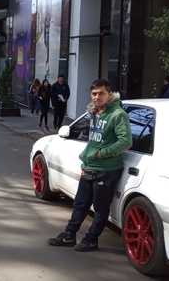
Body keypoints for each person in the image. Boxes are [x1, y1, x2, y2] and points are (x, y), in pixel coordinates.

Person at [49, 79, 131, 252]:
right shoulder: (95, 111)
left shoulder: (117, 114)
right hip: (90, 166)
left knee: (101, 208)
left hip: (106, 170)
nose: (97, 97)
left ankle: (91, 240)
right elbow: (94, 139)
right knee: (80, 204)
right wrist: (87, 156)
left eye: (101, 93)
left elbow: (126, 142)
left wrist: (101, 154)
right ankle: (69, 235)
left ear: (109, 94)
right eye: (94, 94)